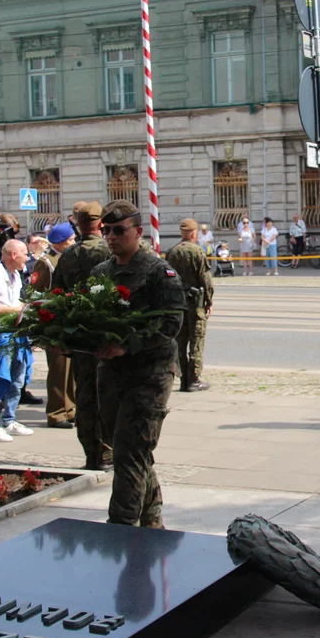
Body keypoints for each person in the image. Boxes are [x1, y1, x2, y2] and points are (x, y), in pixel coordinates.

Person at [92, 200, 185, 527]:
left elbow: (171, 325)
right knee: (130, 450)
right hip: (112, 375)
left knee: (129, 454)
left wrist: (126, 346)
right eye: (107, 231)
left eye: (119, 230)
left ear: (138, 232)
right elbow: (90, 317)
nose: (112, 237)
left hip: (150, 375)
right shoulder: (101, 273)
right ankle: (152, 524)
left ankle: (121, 533)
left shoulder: (160, 272)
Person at [55, 201, 114, 470]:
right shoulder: (109, 250)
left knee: (85, 397)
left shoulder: (67, 255)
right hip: (107, 334)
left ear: (78, 224)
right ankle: (108, 451)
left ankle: (92, 454)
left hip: (78, 336)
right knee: (109, 394)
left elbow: (56, 297)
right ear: (101, 223)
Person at [0, 239, 35, 443]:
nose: (27, 258)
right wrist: (14, 310)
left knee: (18, 377)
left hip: (16, 331)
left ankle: (9, 420)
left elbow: (15, 301)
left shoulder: (16, 274)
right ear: (13, 255)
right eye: (25, 254)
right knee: (1, 378)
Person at [29, 223, 78, 429]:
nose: (74, 243)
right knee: (59, 369)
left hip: (70, 319)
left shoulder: (69, 258)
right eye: (72, 240)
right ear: (62, 242)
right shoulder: (46, 262)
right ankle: (57, 413)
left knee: (72, 369)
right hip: (54, 321)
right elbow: (36, 291)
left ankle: (71, 409)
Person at [165, 218, 214, 392]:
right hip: (196, 303)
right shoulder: (197, 252)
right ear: (194, 233)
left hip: (178, 304)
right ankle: (194, 379)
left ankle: (183, 378)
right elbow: (205, 279)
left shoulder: (171, 252)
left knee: (180, 341)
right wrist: (209, 301)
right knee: (196, 341)